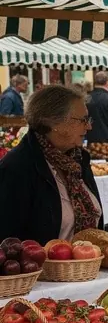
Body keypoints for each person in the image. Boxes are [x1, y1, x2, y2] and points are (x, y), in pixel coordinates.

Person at [0, 84, 102, 242]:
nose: (89, 126)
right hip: (45, 266)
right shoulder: (17, 168)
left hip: (89, 264)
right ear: (54, 123)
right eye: (82, 120)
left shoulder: (78, 159)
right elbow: (8, 241)